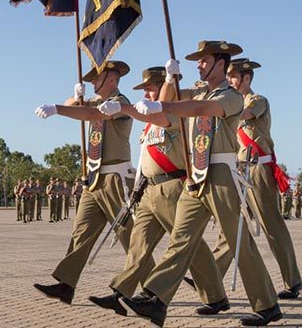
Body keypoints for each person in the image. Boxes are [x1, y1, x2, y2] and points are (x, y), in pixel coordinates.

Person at [125, 42, 281, 326]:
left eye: (203, 60)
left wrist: (163, 103)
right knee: (181, 239)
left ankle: (268, 305)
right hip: (196, 173)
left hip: (221, 172)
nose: (198, 65)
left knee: (238, 243)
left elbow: (201, 108)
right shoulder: (196, 90)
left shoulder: (231, 96)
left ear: (220, 63)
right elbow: (174, 104)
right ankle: (156, 299)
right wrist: (170, 80)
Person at [89, 66, 227, 318]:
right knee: (138, 244)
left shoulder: (172, 115)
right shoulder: (147, 122)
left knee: (186, 244)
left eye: (152, 88)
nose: (148, 94)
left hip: (172, 187)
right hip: (149, 190)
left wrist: (169, 80)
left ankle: (215, 295)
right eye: (146, 89)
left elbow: (164, 108)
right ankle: (120, 292)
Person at [33, 60, 143, 306]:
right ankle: (66, 283)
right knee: (81, 231)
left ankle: (151, 289)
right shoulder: (96, 101)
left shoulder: (120, 103)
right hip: (94, 178)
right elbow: (78, 106)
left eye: (97, 78)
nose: (93, 82)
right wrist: (74, 97)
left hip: (116, 178)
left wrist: (58, 109)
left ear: (112, 79)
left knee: (128, 235)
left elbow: (92, 114)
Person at [205, 57, 302, 299]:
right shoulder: (227, 100)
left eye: (234, 77)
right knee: (232, 227)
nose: (230, 80)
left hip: (257, 168)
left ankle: (293, 281)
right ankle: (212, 275)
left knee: (272, 226)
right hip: (237, 169)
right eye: (228, 76)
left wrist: (220, 104)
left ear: (246, 78)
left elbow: (245, 114)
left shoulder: (257, 100)